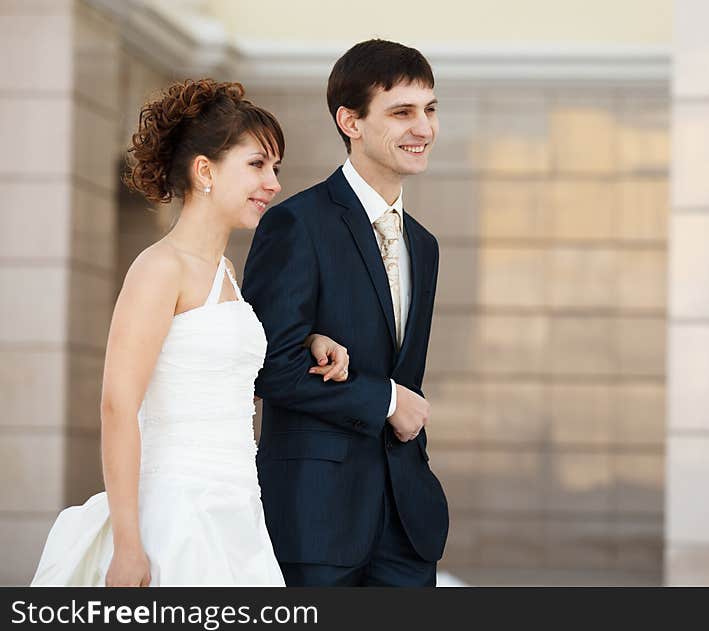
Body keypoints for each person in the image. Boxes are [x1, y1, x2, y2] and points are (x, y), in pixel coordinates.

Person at [31, 79, 350, 586]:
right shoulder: (159, 267)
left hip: (238, 509)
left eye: (275, 169)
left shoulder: (226, 272)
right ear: (205, 170)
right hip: (176, 514)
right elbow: (117, 405)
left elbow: (219, 361)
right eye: (256, 165)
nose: (273, 183)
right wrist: (130, 545)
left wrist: (312, 340)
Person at [242, 39, 449, 587]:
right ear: (350, 121)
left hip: (406, 527)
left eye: (429, 109)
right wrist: (385, 400)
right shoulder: (296, 225)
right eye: (402, 112)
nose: (423, 128)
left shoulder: (424, 246)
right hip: (316, 521)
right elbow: (270, 366)